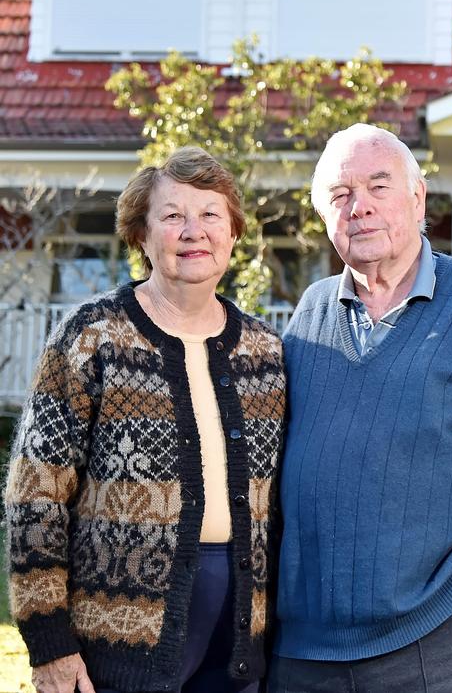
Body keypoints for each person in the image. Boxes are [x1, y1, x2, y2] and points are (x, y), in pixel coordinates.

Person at [269, 124, 452, 693]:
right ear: (325, 217)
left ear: (417, 197)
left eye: (378, 186)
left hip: (440, 639)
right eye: (340, 195)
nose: (359, 207)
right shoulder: (310, 311)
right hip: (304, 649)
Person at [5, 147, 286, 693]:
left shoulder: (266, 353)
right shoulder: (92, 337)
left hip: (239, 637)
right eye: (173, 215)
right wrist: (48, 642)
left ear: (232, 234)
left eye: (210, 215)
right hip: (114, 641)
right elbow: (35, 496)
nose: (193, 231)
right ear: (141, 233)